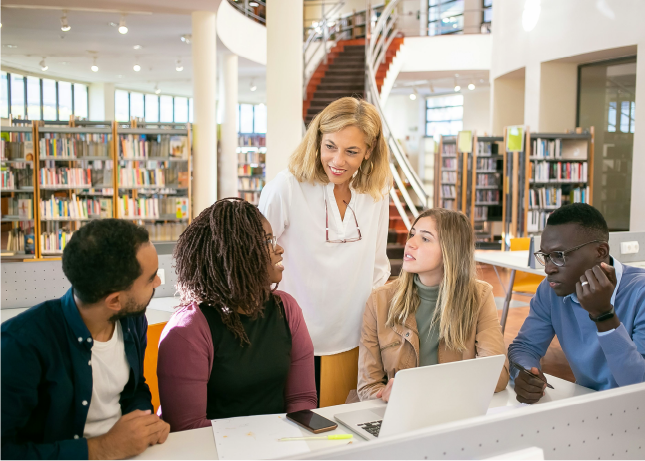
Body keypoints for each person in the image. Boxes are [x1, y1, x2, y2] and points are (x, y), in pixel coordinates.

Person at [0, 219, 169, 461]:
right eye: (151, 278)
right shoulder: (20, 345)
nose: (158, 282)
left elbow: (135, 387)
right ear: (114, 301)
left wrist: (143, 423)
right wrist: (102, 449)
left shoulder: (131, 319)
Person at [258, 97, 392, 395]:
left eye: (352, 151)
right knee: (299, 429)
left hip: (356, 337)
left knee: (344, 430)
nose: (338, 160)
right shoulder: (286, 187)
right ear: (318, 139)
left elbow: (377, 264)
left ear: (369, 151)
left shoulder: (377, 191)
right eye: (330, 146)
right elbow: (256, 260)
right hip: (292, 338)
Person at [157, 199, 317, 432]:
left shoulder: (287, 309)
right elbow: (189, 428)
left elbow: (302, 400)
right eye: (268, 241)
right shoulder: (187, 332)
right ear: (237, 252)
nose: (279, 248)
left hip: (280, 444)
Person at [508, 203, 645, 404]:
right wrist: (525, 373)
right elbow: (525, 347)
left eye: (559, 256)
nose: (548, 269)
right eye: (546, 257)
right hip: (588, 408)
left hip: (643, 419)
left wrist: (603, 315)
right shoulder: (550, 290)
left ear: (600, 251)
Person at [358, 208, 510, 402]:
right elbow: (367, 387)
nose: (410, 243)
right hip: (396, 413)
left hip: (453, 412)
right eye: (412, 234)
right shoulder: (379, 300)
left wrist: (426, 393)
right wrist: (385, 394)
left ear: (451, 249)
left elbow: (497, 376)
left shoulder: (479, 296)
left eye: (425, 238)